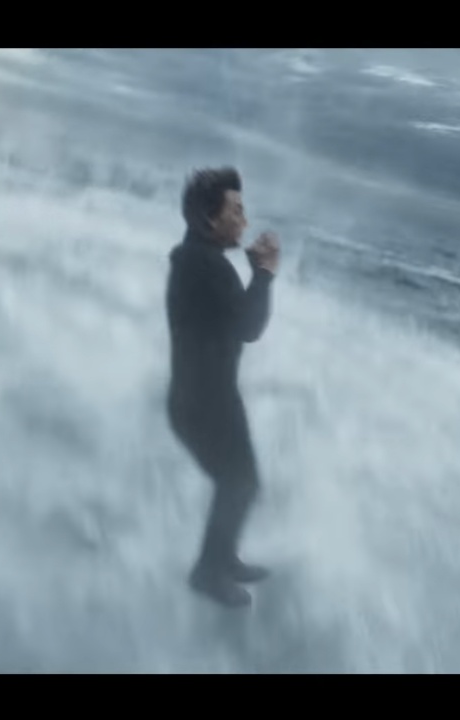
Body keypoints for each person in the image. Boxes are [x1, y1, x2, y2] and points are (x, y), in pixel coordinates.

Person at [165, 167, 281, 608]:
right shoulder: (207, 267)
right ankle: (208, 573)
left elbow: (236, 319)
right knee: (239, 484)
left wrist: (255, 275)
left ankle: (221, 559)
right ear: (210, 218)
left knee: (239, 483)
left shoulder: (198, 261)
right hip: (205, 403)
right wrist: (264, 274)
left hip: (202, 399)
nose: (244, 221)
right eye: (236, 210)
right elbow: (250, 327)